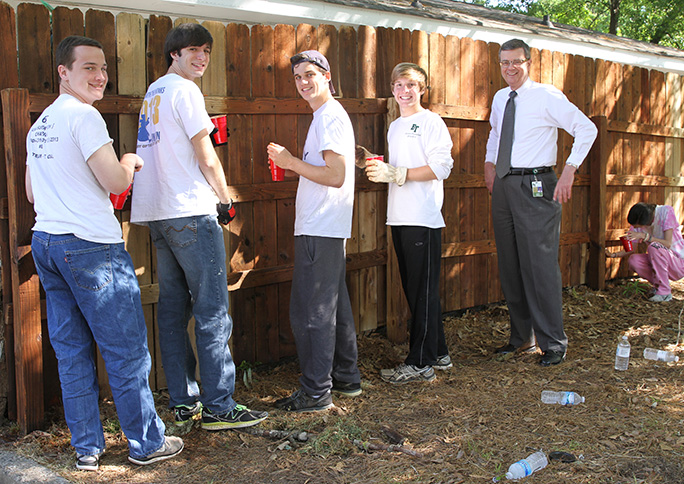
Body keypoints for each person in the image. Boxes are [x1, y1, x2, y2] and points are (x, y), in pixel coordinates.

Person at [25, 35, 183, 471]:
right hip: (91, 246)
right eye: (89, 68)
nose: (100, 76)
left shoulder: (40, 125)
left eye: (103, 68)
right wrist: (130, 161)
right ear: (64, 71)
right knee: (126, 349)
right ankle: (146, 444)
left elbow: (31, 191)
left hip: (48, 243)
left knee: (72, 348)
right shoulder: (85, 117)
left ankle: (87, 450)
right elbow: (115, 182)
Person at [131, 23, 267, 429]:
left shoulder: (153, 92)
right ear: (174, 53)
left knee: (173, 308)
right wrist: (225, 199)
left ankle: (184, 401)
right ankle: (221, 406)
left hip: (157, 211)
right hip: (188, 209)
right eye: (193, 50)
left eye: (206, 51)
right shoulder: (185, 91)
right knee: (212, 309)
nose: (202, 58)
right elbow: (206, 155)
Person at [484, 38, 597, 367]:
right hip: (505, 185)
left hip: (536, 185)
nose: (510, 68)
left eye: (516, 62)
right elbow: (495, 134)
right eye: (504, 63)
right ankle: (522, 338)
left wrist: (569, 171)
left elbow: (585, 129)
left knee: (540, 266)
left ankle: (554, 343)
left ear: (528, 62)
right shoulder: (501, 97)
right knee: (511, 264)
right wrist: (490, 166)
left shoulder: (546, 95)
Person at [267, 50, 361, 412]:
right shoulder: (325, 115)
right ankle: (346, 377)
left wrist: (290, 163)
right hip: (326, 226)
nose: (304, 82)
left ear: (326, 75)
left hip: (320, 226)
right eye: (298, 77)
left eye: (310, 74)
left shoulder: (330, 117)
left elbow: (336, 176)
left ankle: (316, 392)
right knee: (335, 305)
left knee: (311, 310)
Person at [366, 62, 454, 384]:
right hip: (399, 216)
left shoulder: (431, 122)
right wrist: (382, 167)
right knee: (417, 290)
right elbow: (398, 168)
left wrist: (400, 174)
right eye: (399, 86)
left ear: (423, 89)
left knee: (422, 292)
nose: (405, 92)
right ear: (392, 90)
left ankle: (420, 363)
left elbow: (442, 167)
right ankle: (439, 353)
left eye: (412, 85)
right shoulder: (395, 127)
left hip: (423, 217)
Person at [606, 202, 684, 301]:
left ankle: (665, 293)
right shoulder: (637, 225)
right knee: (634, 260)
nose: (638, 229)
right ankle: (659, 287)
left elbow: (667, 243)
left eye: (639, 226)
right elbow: (630, 249)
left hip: (679, 264)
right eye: (635, 227)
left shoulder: (666, 212)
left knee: (654, 247)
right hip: (660, 260)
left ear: (647, 221)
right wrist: (613, 255)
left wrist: (645, 236)